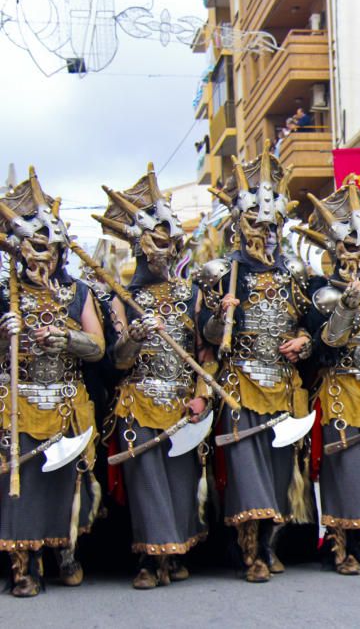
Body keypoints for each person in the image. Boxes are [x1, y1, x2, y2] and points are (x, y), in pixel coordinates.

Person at [198, 149, 313, 583]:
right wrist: (219, 316)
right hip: (240, 385)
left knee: (282, 471)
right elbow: (207, 339)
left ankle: (269, 543)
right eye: (255, 224)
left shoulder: (294, 273)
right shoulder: (221, 272)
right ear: (238, 224)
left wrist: (303, 342)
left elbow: (312, 329)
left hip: (283, 387)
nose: (263, 233)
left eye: (270, 226)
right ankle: (251, 553)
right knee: (248, 473)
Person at [97, 164, 211, 589]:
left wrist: (202, 396)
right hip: (139, 401)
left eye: (172, 235)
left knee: (181, 482)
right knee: (146, 483)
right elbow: (117, 362)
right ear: (141, 244)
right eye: (160, 237)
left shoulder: (192, 294)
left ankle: (177, 553)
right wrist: (135, 340)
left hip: (184, 401)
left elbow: (206, 353)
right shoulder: (121, 300)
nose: (170, 245)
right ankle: (150, 558)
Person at [0, 169, 105, 597]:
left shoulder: (78, 292)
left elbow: (98, 347)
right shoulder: (4, 293)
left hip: (66, 401)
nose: (46, 257)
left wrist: (68, 337)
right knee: (20, 486)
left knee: (67, 482)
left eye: (53, 249)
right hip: (19, 401)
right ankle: (24, 564)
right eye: (38, 248)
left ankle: (66, 551)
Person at [302, 184, 360, 574]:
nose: (356, 254)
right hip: (340, 386)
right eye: (349, 246)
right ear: (333, 248)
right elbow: (326, 344)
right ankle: (338, 543)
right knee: (343, 467)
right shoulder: (319, 290)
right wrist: (343, 307)